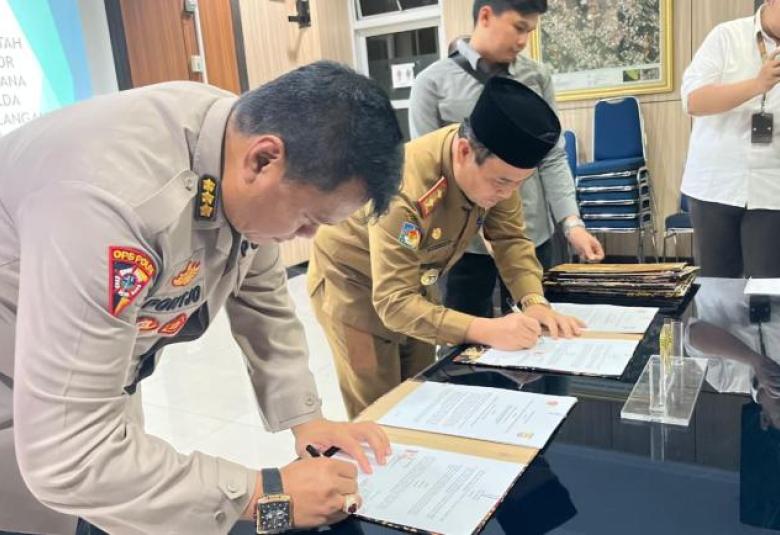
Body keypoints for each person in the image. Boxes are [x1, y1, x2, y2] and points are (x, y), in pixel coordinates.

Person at [0, 61, 403, 535]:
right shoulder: (114, 205)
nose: (308, 237)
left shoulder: (234, 141)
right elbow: (70, 455)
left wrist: (307, 421)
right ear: (263, 160)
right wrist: (263, 492)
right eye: (307, 220)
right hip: (17, 395)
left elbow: (263, 296)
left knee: (124, 502)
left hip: (89, 377)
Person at [308, 76, 585, 418]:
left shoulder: (497, 169)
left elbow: (510, 240)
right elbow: (393, 302)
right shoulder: (403, 189)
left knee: (421, 391)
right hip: (353, 285)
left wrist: (534, 301)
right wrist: (487, 330)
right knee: (380, 409)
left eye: (518, 184)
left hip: (414, 278)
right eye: (502, 182)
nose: (507, 193)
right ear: (464, 151)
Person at [409, 0, 603, 319]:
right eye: (519, 28)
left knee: (542, 323)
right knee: (468, 332)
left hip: (530, 233)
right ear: (486, 15)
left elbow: (552, 156)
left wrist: (572, 224)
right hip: (464, 248)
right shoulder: (432, 84)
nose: (523, 40)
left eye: (530, 31)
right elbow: (431, 175)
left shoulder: (536, 76)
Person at [681, 0, 780, 278]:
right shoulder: (726, 36)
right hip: (715, 183)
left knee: (768, 289)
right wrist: (757, 85)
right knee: (716, 286)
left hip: (772, 187)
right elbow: (694, 101)